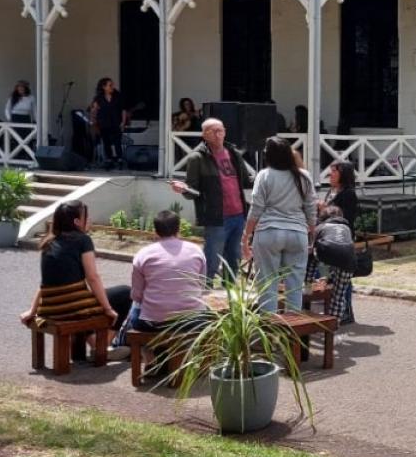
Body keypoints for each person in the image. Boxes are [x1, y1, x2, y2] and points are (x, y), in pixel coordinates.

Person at [19, 200, 133, 361]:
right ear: (77, 222)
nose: (90, 219)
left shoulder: (49, 241)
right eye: (86, 216)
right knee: (125, 293)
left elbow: (45, 282)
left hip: (50, 308)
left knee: (85, 301)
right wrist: (107, 308)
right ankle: (102, 348)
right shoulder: (82, 240)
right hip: (71, 307)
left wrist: (32, 311)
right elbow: (92, 278)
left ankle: (95, 343)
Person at [170, 118, 254, 286]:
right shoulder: (197, 158)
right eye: (212, 131)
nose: (217, 135)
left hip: (238, 214)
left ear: (225, 132)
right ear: (204, 135)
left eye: (220, 130)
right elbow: (193, 191)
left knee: (234, 259)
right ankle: (204, 297)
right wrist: (184, 189)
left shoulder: (233, 153)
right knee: (212, 261)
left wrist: (265, 178)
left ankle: (229, 297)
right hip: (217, 218)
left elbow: (246, 180)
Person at [243, 136, 317, 312]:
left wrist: (246, 235)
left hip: (269, 232)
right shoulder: (303, 176)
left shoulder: (264, 175)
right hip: (297, 232)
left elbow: (256, 209)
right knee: (295, 285)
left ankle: (270, 332)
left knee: (267, 284)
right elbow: (311, 207)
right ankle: (292, 332)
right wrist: (312, 232)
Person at [128, 210, 207, 332]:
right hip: (192, 321)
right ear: (179, 229)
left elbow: (137, 296)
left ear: (155, 231)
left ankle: (121, 345)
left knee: (134, 307)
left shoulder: (143, 254)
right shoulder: (196, 251)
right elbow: (201, 285)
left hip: (153, 322)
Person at [309, 206, 357, 323]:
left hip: (326, 254)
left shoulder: (320, 227)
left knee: (313, 257)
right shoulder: (346, 228)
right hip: (348, 259)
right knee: (339, 295)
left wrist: (323, 274)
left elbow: (312, 248)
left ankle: (307, 290)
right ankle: (333, 325)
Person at [90, 77, 129, 169]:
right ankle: (109, 160)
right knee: (106, 142)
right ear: (104, 87)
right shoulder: (98, 98)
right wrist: (93, 120)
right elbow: (94, 110)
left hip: (116, 122)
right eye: (110, 85)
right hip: (104, 123)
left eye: (112, 85)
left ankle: (119, 160)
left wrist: (123, 122)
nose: (112, 87)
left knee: (117, 142)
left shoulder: (118, 96)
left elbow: (123, 110)